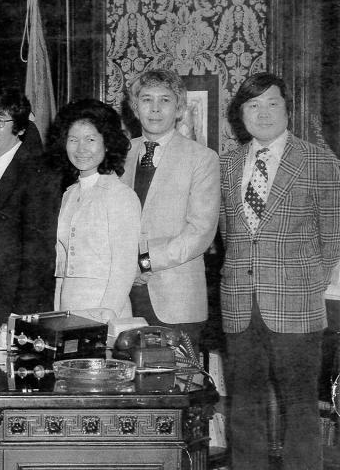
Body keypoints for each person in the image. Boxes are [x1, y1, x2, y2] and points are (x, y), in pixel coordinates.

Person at [219, 72, 340, 470]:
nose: (263, 112)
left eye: (272, 103)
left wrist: (306, 283)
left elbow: (334, 235)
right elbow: (229, 233)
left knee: (301, 409)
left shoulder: (319, 160)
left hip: (297, 305)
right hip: (239, 304)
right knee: (244, 410)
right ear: (241, 114)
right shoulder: (228, 163)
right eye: (253, 105)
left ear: (288, 108)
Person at [121, 70, 219, 348]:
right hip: (123, 297)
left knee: (176, 386)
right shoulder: (120, 154)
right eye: (146, 99)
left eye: (165, 100)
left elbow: (200, 232)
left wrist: (142, 262)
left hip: (177, 301)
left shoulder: (201, 158)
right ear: (134, 106)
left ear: (179, 109)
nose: (154, 108)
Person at [0, 87, 62, 335]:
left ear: (20, 128)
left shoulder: (39, 173)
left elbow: (39, 255)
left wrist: (21, 317)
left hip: (14, 314)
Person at [51, 99, 140, 318]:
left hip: (105, 309)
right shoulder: (69, 195)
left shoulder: (120, 195)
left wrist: (105, 314)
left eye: (90, 139)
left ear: (107, 143)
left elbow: (124, 268)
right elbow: (61, 267)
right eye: (73, 139)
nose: (81, 148)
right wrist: (56, 312)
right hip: (68, 308)